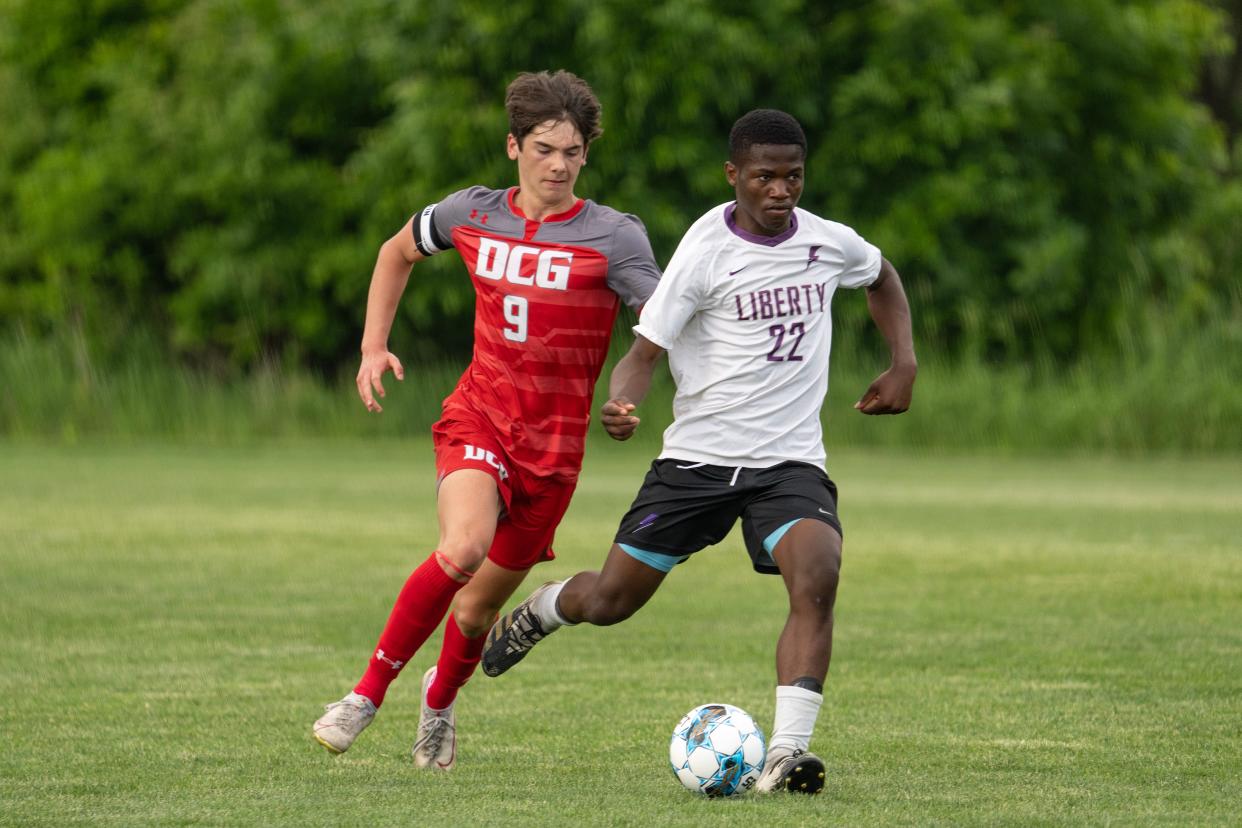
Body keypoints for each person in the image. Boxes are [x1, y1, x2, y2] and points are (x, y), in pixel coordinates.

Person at [481, 109, 916, 795]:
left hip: (788, 465)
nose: (781, 191)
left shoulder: (828, 244)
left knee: (819, 577)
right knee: (612, 601)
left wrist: (904, 363)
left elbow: (882, 275)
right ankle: (546, 608)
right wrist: (623, 402)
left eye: (793, 177)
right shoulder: (705, 250)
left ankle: (787, 754)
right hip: (696, 466)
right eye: (765, 177)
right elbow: (644, 352)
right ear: (734, 175)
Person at [312, 70, 661, 769]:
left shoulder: (615, 237)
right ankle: (364, 695)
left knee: (474, 614)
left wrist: (628, 399)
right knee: (462, 548)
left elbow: (656, 325)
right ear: (513, 146)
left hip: (553, 453)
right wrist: (373, 344)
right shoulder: (472, 214)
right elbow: (396, 251)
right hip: (481, 417)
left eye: (572, 150)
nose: (558, 164)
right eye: (543, 148)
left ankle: (439, 703)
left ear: (586, 154)